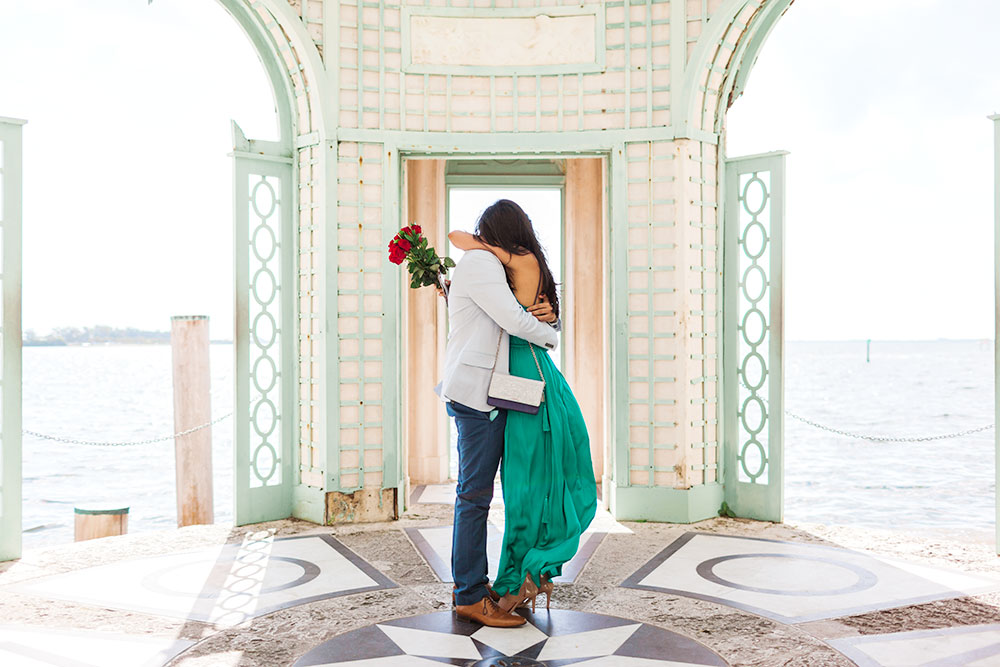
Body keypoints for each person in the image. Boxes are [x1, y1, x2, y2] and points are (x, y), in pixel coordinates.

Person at [442, 199, 597, 620]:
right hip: (482, 392)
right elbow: (514, 317)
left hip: (502, 387)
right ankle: (471, 595)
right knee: (476, 495)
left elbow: (515, 318)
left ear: (491, 232)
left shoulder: (489, 261)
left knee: (511, 488)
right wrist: (550, 332)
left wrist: (549, 329)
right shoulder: (485, 263)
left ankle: (499, 583)